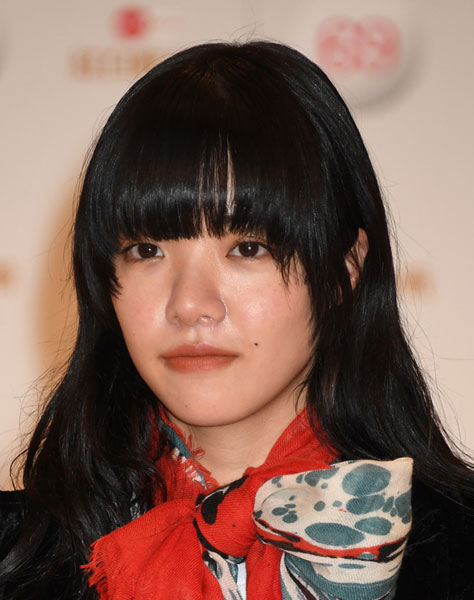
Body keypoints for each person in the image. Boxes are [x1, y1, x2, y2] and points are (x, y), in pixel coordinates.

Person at [0, 41, 473, 600]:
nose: (189, 304)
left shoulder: (459, 546)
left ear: (344, 272)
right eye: (147, 250)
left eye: (248, 248)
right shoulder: (17, 556)